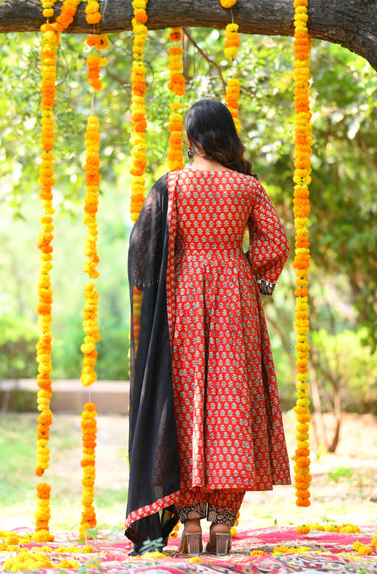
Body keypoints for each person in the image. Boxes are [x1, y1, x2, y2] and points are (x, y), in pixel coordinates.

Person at [124, 99, 291, 556]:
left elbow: (140, 250)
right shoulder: (248, 188)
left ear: (190, 138)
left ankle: (191, 525)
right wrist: (250, 276)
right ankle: (223, 527)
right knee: (231, 405)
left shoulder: (171, 187)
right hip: (236, 303)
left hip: (181, 303)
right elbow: (275, 243)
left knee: (185, 402)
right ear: (227, 137)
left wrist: (160, 281)